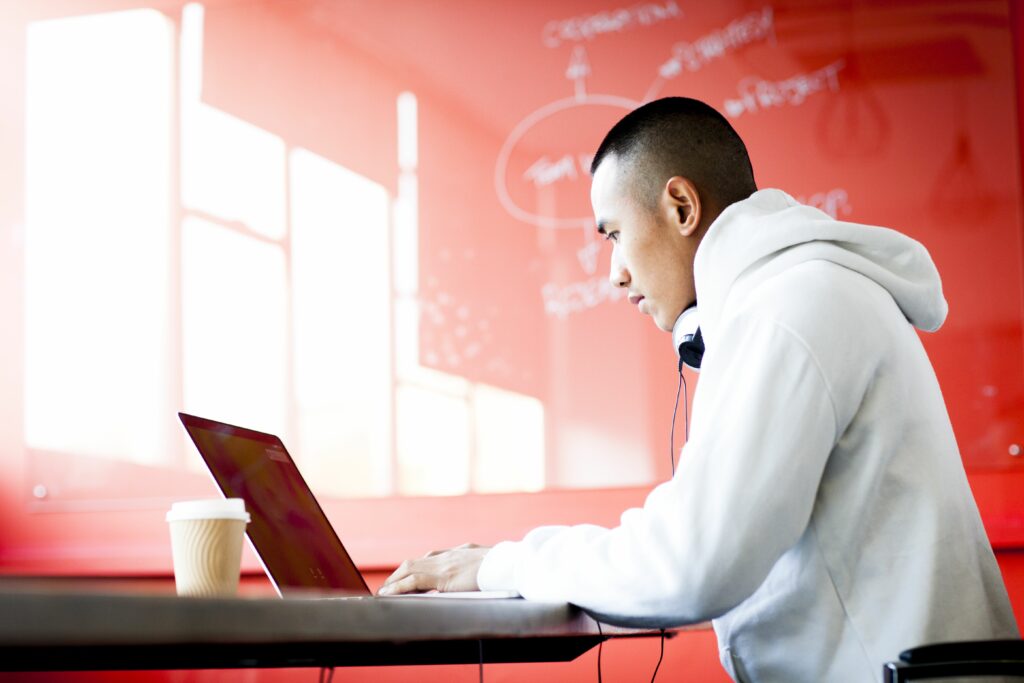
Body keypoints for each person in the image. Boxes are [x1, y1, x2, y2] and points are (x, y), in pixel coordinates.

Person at [379, 97, 1019, 681]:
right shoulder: (795, 297)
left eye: (614, 235)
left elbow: (693, 564)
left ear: (681, 207)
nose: (614, 274)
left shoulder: (789, 311)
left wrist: (504, 565)